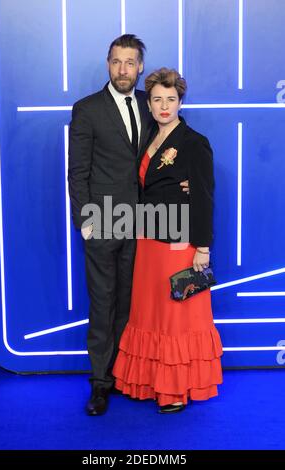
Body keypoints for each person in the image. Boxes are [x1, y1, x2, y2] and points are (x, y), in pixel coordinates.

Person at [68, 36, 190, 416]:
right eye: (117, 62)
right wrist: (86, 221)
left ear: (140, 67)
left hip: (143, 226)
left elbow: (165, 157)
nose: (123, 69)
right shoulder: (87, 109)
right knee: (103, 305)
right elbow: (78, 172)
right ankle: (101, 385)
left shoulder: (149, 103)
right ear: (108, 64)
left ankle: (125, 376)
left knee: (132, 306)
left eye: (131, 62)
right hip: (102, 224)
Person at [113, 68, 223, 413]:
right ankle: (149, 383)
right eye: (157, 99)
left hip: (180, 245)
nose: (164, 106)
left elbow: (204, 196)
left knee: (177, 319)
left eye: (170, 99)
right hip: (148, 242)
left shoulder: (194, 142)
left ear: (180, 101)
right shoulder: (148, 139)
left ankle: (174, 390)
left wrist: (202, 248)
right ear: (150, 104)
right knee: (150, 316)